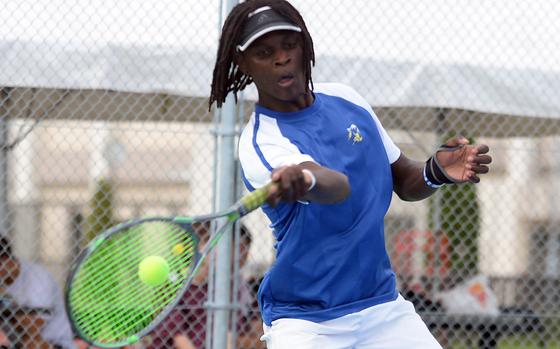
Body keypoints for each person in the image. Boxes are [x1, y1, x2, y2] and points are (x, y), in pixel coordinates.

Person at [208, 1, 492, 348]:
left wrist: (435, 170)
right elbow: (336, 187)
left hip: (382, 306)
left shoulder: (347, 99)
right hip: (307, 321)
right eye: (264, 52)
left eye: (289, 45)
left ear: (305, 46)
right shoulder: (260, 142)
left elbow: (404, 180)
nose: (281, 58)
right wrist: (305, 179)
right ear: (243, 63)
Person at [148, 222, 260, 349]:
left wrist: (231, 341)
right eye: (236, 249)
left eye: (244, 250)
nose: (241, 257)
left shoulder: (237, 289)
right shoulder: (175, 288)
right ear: (201, 248)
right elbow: (180, 340)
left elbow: (258, 338)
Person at [0, 235, 75, 349]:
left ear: (6, 260)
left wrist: (5, 298)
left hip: (53, 343)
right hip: (17, 342)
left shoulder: (38, 277)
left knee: (33, 344)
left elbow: (33, 330)